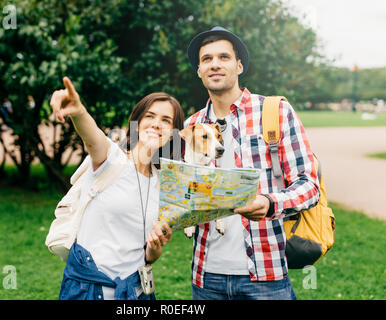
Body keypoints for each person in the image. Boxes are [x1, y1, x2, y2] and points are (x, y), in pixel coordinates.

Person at [185, 26, 320, 300]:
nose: (215, 64)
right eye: (206, 59)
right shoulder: (191, 126)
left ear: (239, 65)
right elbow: (185, 192)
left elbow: (309, 185)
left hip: (266, 276)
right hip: (206, 277)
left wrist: (270, 203)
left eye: (224, 57)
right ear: (199, 70)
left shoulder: (276, 112)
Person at [50, 77, 184, 300]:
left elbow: (147, 256)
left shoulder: (163, 184)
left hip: (134, 292)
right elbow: (93, 139)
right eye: (150, 116)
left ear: (173, 133)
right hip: (88, 289)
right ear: (137, 123)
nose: (156, 124)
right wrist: (79, 111)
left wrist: (154, 247)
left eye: (166, 120)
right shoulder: (111, 159)